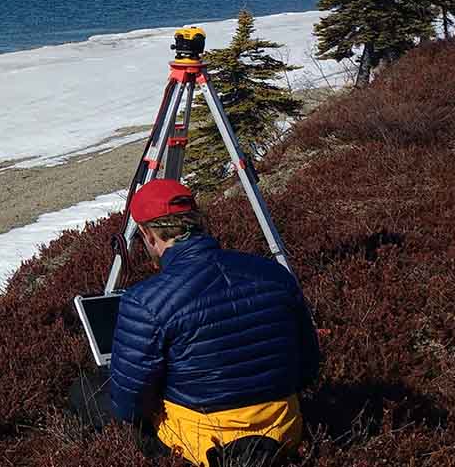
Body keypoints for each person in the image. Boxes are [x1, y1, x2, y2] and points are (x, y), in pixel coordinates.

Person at [109, 179, 319, 467]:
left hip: (206, 444)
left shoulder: (144, 300)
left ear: (147, 234)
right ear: (199, 222)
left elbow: (130, 406)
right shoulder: (275, 274)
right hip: (284, 431)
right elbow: (308, 367)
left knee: (88, 395)